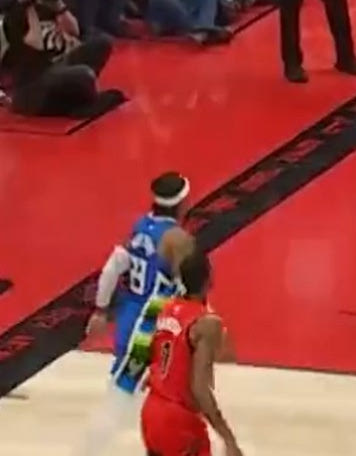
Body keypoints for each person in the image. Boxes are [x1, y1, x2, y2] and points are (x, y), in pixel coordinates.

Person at [79, 173, 194, 456]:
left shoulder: (140, 227)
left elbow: (113, 267)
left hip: (133, 319)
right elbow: (190, 287)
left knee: (152, 393)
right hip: (148, 326)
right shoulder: (177, 239)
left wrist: (101, 309)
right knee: (121, 396)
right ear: (182, 203)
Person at [140, 250, 243, 456]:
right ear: (209, 280)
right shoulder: (207, 323)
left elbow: (149, 353)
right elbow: (199, 388)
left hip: (151, 410)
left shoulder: (162, 307)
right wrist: (228, 438)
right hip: (179, 419)